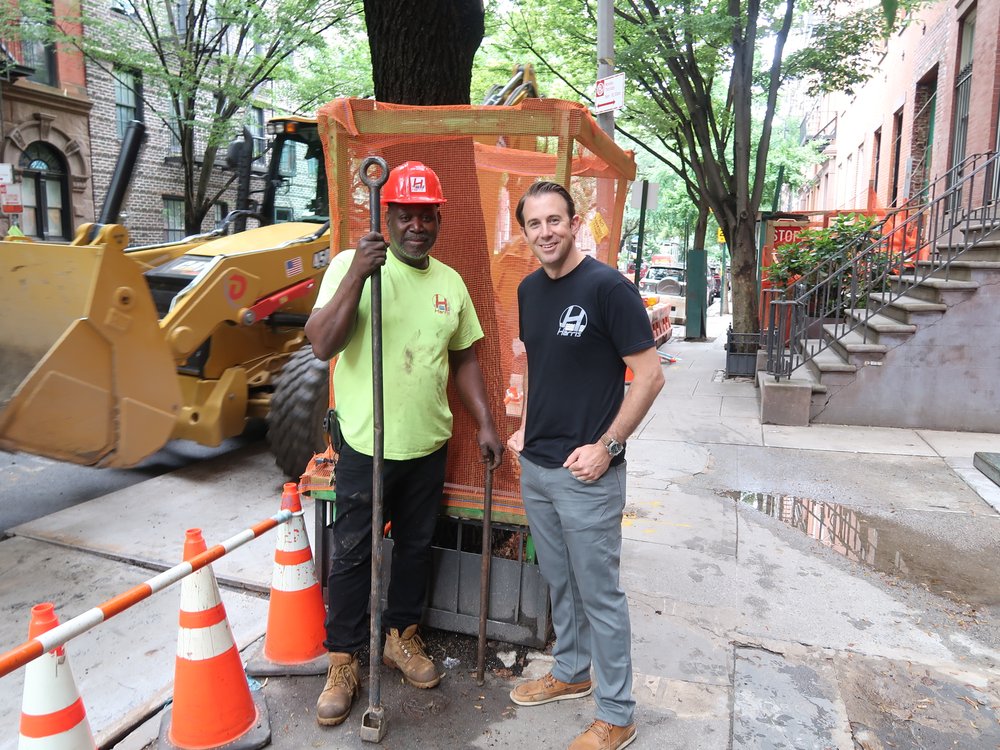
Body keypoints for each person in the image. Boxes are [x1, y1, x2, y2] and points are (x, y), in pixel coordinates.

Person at [304, 161, 503, 727]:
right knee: (352, 554)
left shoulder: (449, 283)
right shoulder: (353, 264)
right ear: (386, 215)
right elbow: (322, 344)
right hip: (366, 446)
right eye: (405, 213)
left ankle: (400, 637)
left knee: (416, 548)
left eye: (426, 214)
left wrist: (486, 422)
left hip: (426, 445)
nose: (416, 224)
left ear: (438, 218)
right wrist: (356, 276)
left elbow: (463, 358)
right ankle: (343, 660)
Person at [506, 181, 664, 750]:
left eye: (555, 220)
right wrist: (523, 425)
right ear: (524, 231)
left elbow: (650, 377)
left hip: (586, 473)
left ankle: (618, 712)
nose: (545, 232)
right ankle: (571, 673)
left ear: (575, 223)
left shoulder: (608, 289)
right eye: (534, 224)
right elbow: (535, 366)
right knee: (560, 581)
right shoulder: (528, 290)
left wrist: (609, 447)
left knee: (600, 594)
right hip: (539, 467)